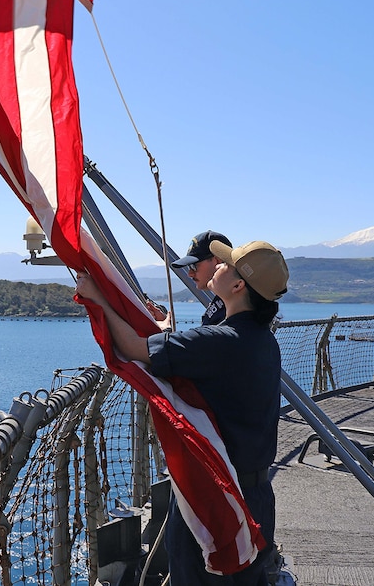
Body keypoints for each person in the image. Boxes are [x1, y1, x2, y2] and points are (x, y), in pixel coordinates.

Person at [75, 239, 289, 585]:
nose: (217, 266)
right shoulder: (263, 341)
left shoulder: (219, 342)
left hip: (216, 494)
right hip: (258, 495)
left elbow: (132, 348)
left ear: (237, 286)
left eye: (225, 266)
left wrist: (97, 297)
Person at [171, 230, 232, 325]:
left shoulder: (237, 309)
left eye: (193, 266)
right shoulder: (227, 302)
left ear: (217, 261)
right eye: (189, 267)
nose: (190, 274)